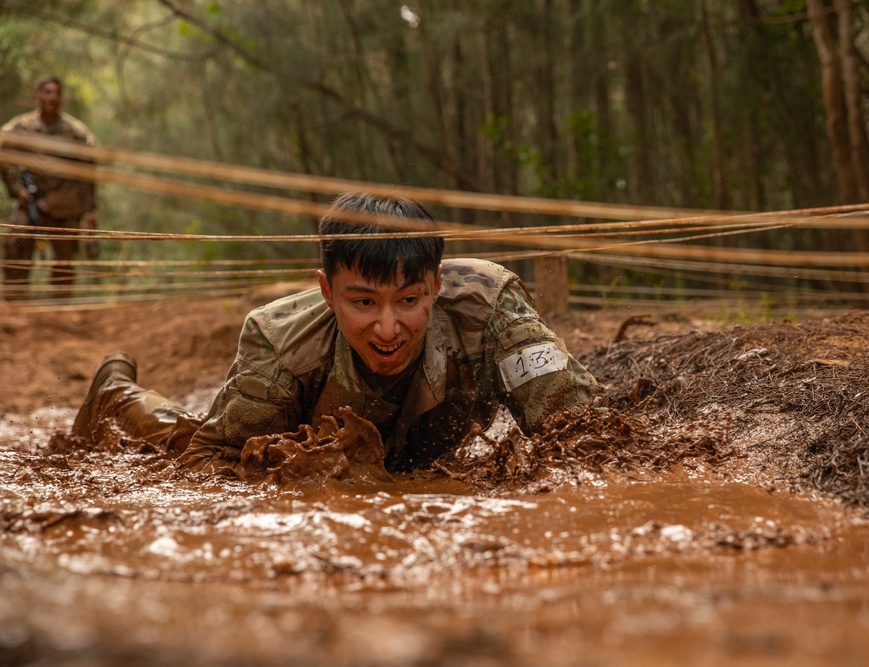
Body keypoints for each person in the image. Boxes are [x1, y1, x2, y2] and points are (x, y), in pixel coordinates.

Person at [68, 192, 603, 475]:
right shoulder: (280, 344)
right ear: (328, 291)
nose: (388, 328)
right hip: (299, 431)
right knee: (184, 436)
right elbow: (211, 466)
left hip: (414, 451)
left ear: (436, 285)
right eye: (364, 302)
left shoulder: (490, 310)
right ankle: (115, 394)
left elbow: (583, 432)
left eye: (410, 300)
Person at [1, 75, 98, 300]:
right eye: (47, 92)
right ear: (37, 95)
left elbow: (89, 171)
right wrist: (16, 189)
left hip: (66, 205)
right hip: (31, 202)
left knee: (64, 262)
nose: (52, 97)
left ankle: (59, 313)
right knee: (15, 243)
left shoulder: (77, 132)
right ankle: (16, 307)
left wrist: (90, 210)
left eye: (56, 93)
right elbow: (3, 156)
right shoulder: (20, 127)